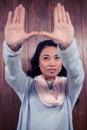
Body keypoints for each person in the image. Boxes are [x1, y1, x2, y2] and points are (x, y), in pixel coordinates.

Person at [3, 3, 84, 130]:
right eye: (46, 58)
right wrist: (12, 50)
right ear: (38, 63)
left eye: (57, 58)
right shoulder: (27, 87)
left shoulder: (69, 89)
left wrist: (67, 48)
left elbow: (77, 75)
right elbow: (13, 74)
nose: (52, 63)